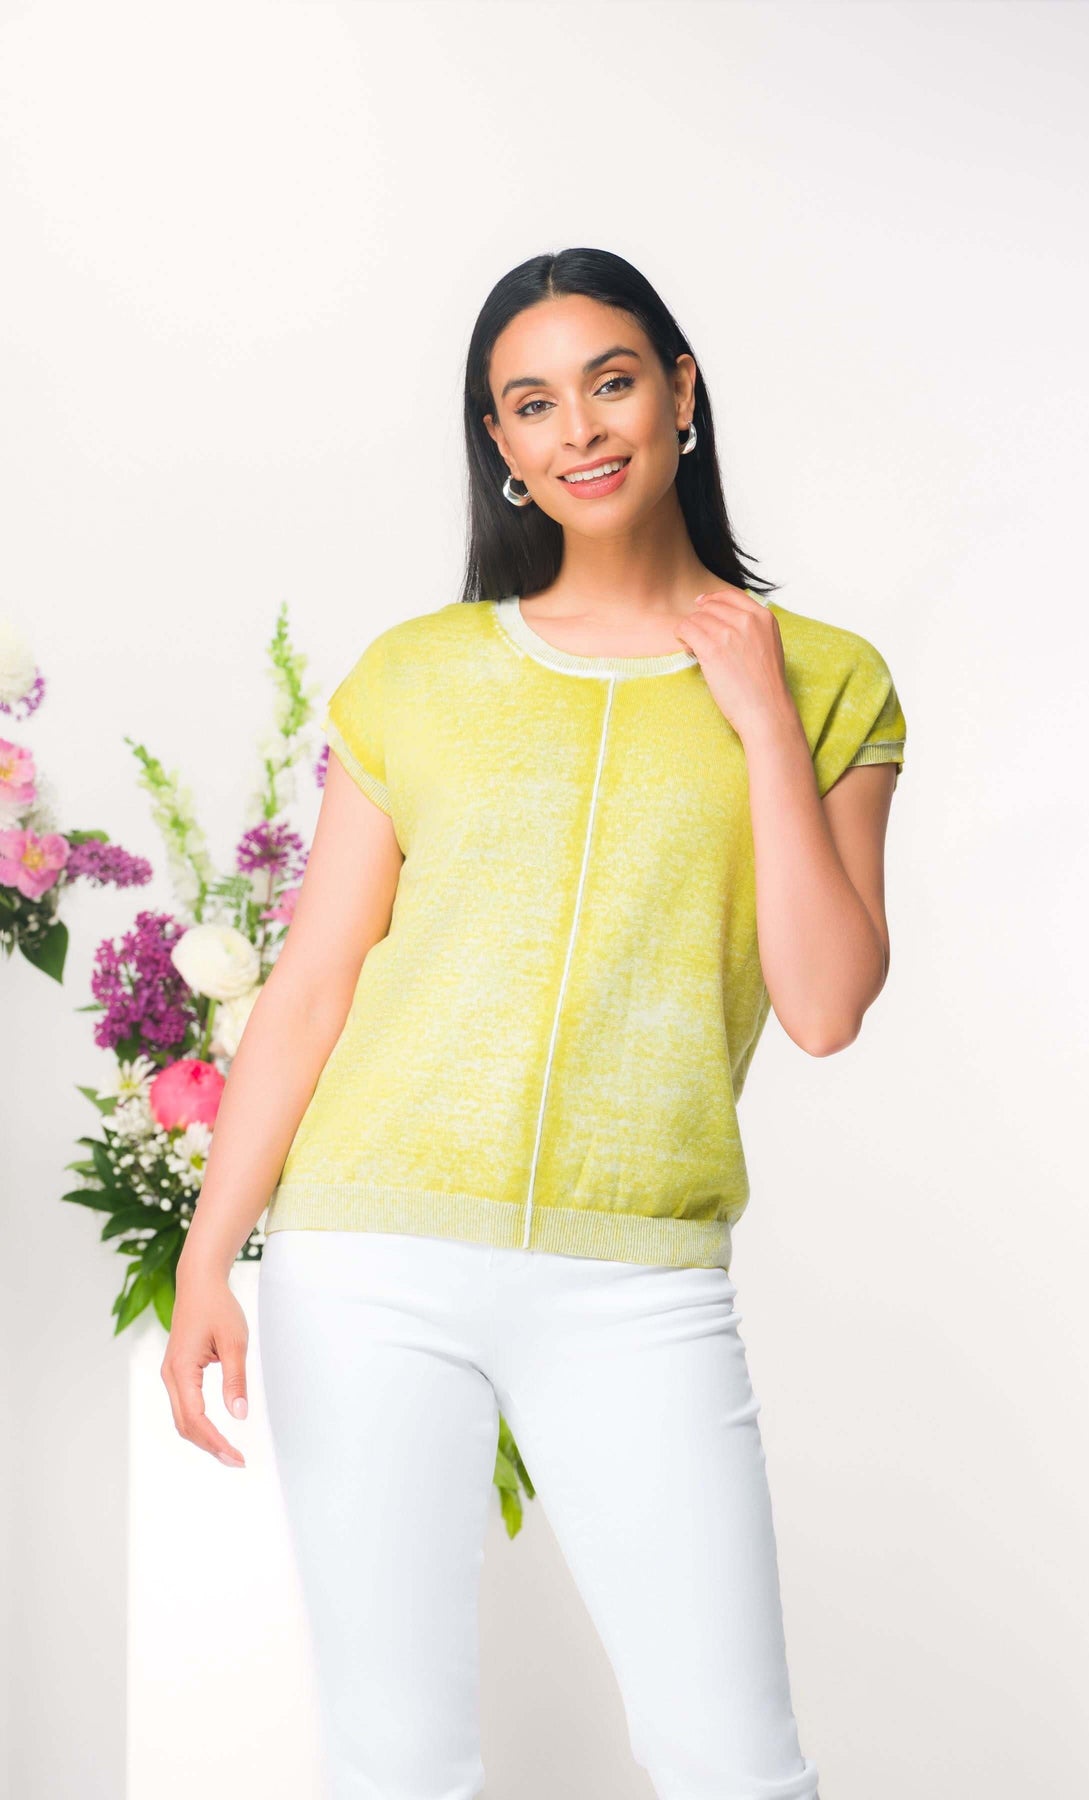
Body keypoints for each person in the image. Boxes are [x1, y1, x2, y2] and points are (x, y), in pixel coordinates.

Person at [161, 246, 907, 1800]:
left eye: (611, 382)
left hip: (637, 1275)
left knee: (733, 1763)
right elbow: (313, 984)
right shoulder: (418, 676)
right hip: (366, 1256)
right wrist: (207, 1257)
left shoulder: (830, 680)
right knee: (395, 1763)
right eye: (534, 402)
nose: (581, 428)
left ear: (681, 392)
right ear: (500, 442)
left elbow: (828, 1003)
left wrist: (760, 718)